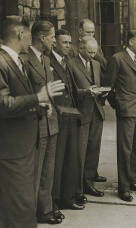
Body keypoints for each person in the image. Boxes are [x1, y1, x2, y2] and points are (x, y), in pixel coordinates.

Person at [0, 15, 64, 228]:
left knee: (24, 210)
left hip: (25, 148)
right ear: (20, 34)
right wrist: (38, 97)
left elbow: (19, 99)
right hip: (13, 152)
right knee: (17, 212)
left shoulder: (17, 60)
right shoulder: (2, 61)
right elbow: (4, 104)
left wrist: (39, 107)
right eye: (29, 33)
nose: (32, 37)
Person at [21, 20, 63, 224]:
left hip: (51, 123)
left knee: (48, 170)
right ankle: (29, 214)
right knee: (35, 173)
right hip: (35, 124)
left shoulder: (46, 60)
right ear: (42, 37)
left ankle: (45, 210)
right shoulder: (24, 60)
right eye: (52, 37)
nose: (54, 41)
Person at [105, 30, 136, 202]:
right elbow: (108, 88)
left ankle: (133, 180)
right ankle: (124, 188)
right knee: (125, 150)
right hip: (126, 111)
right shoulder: (117, 59)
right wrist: (119, 105)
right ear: (131, 42)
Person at [50, 29, 85, 216]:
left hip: (71, 116)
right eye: (64, 42)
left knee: (71, 159)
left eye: (70, 42)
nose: (68, 46)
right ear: (54, 43)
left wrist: (87, 92)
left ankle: (67, 198)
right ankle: (54, 202)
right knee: (57, 162)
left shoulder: (66, 62)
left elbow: (71, 90)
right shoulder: (49, 62)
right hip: (59, 118)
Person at [69, 36, 106, 199]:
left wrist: (102, 92)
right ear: (81, 49)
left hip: (96, 112)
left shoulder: (97, 65)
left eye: (95, 52)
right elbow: (70, 90)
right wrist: (86, 92)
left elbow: (96, 85)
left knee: (93, 150)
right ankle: (78, 187)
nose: (92, 55)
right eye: (89, 52)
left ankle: (89, 182)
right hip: (81, 113)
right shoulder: (71, 64)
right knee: (80, 152)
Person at [70, 18, 107, 85]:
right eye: (88, 32)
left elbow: (104, 66)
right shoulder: (73, 47)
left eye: (92, 32)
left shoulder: (97, 47)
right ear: (80, 31)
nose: (91, 35)